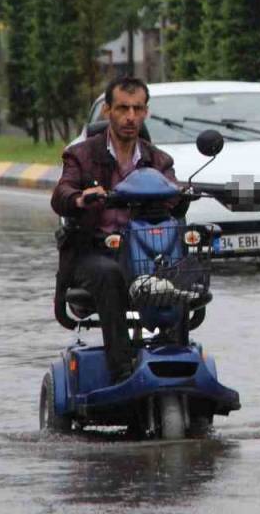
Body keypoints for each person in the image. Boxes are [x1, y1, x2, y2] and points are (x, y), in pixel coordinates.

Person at [51, 76, 187, 381]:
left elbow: (175, 192)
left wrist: (181, 194)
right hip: (93, 251)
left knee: (179, 270)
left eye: (137, 109)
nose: (130, 117)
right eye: (123, 108)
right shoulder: (81, 155)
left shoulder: (158, 159)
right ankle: (122, 369)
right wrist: (79, 198)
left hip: (145, 252)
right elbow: (61, 194)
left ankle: (176, 357)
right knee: (109, 275)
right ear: (107, 112)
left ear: (146, 112)